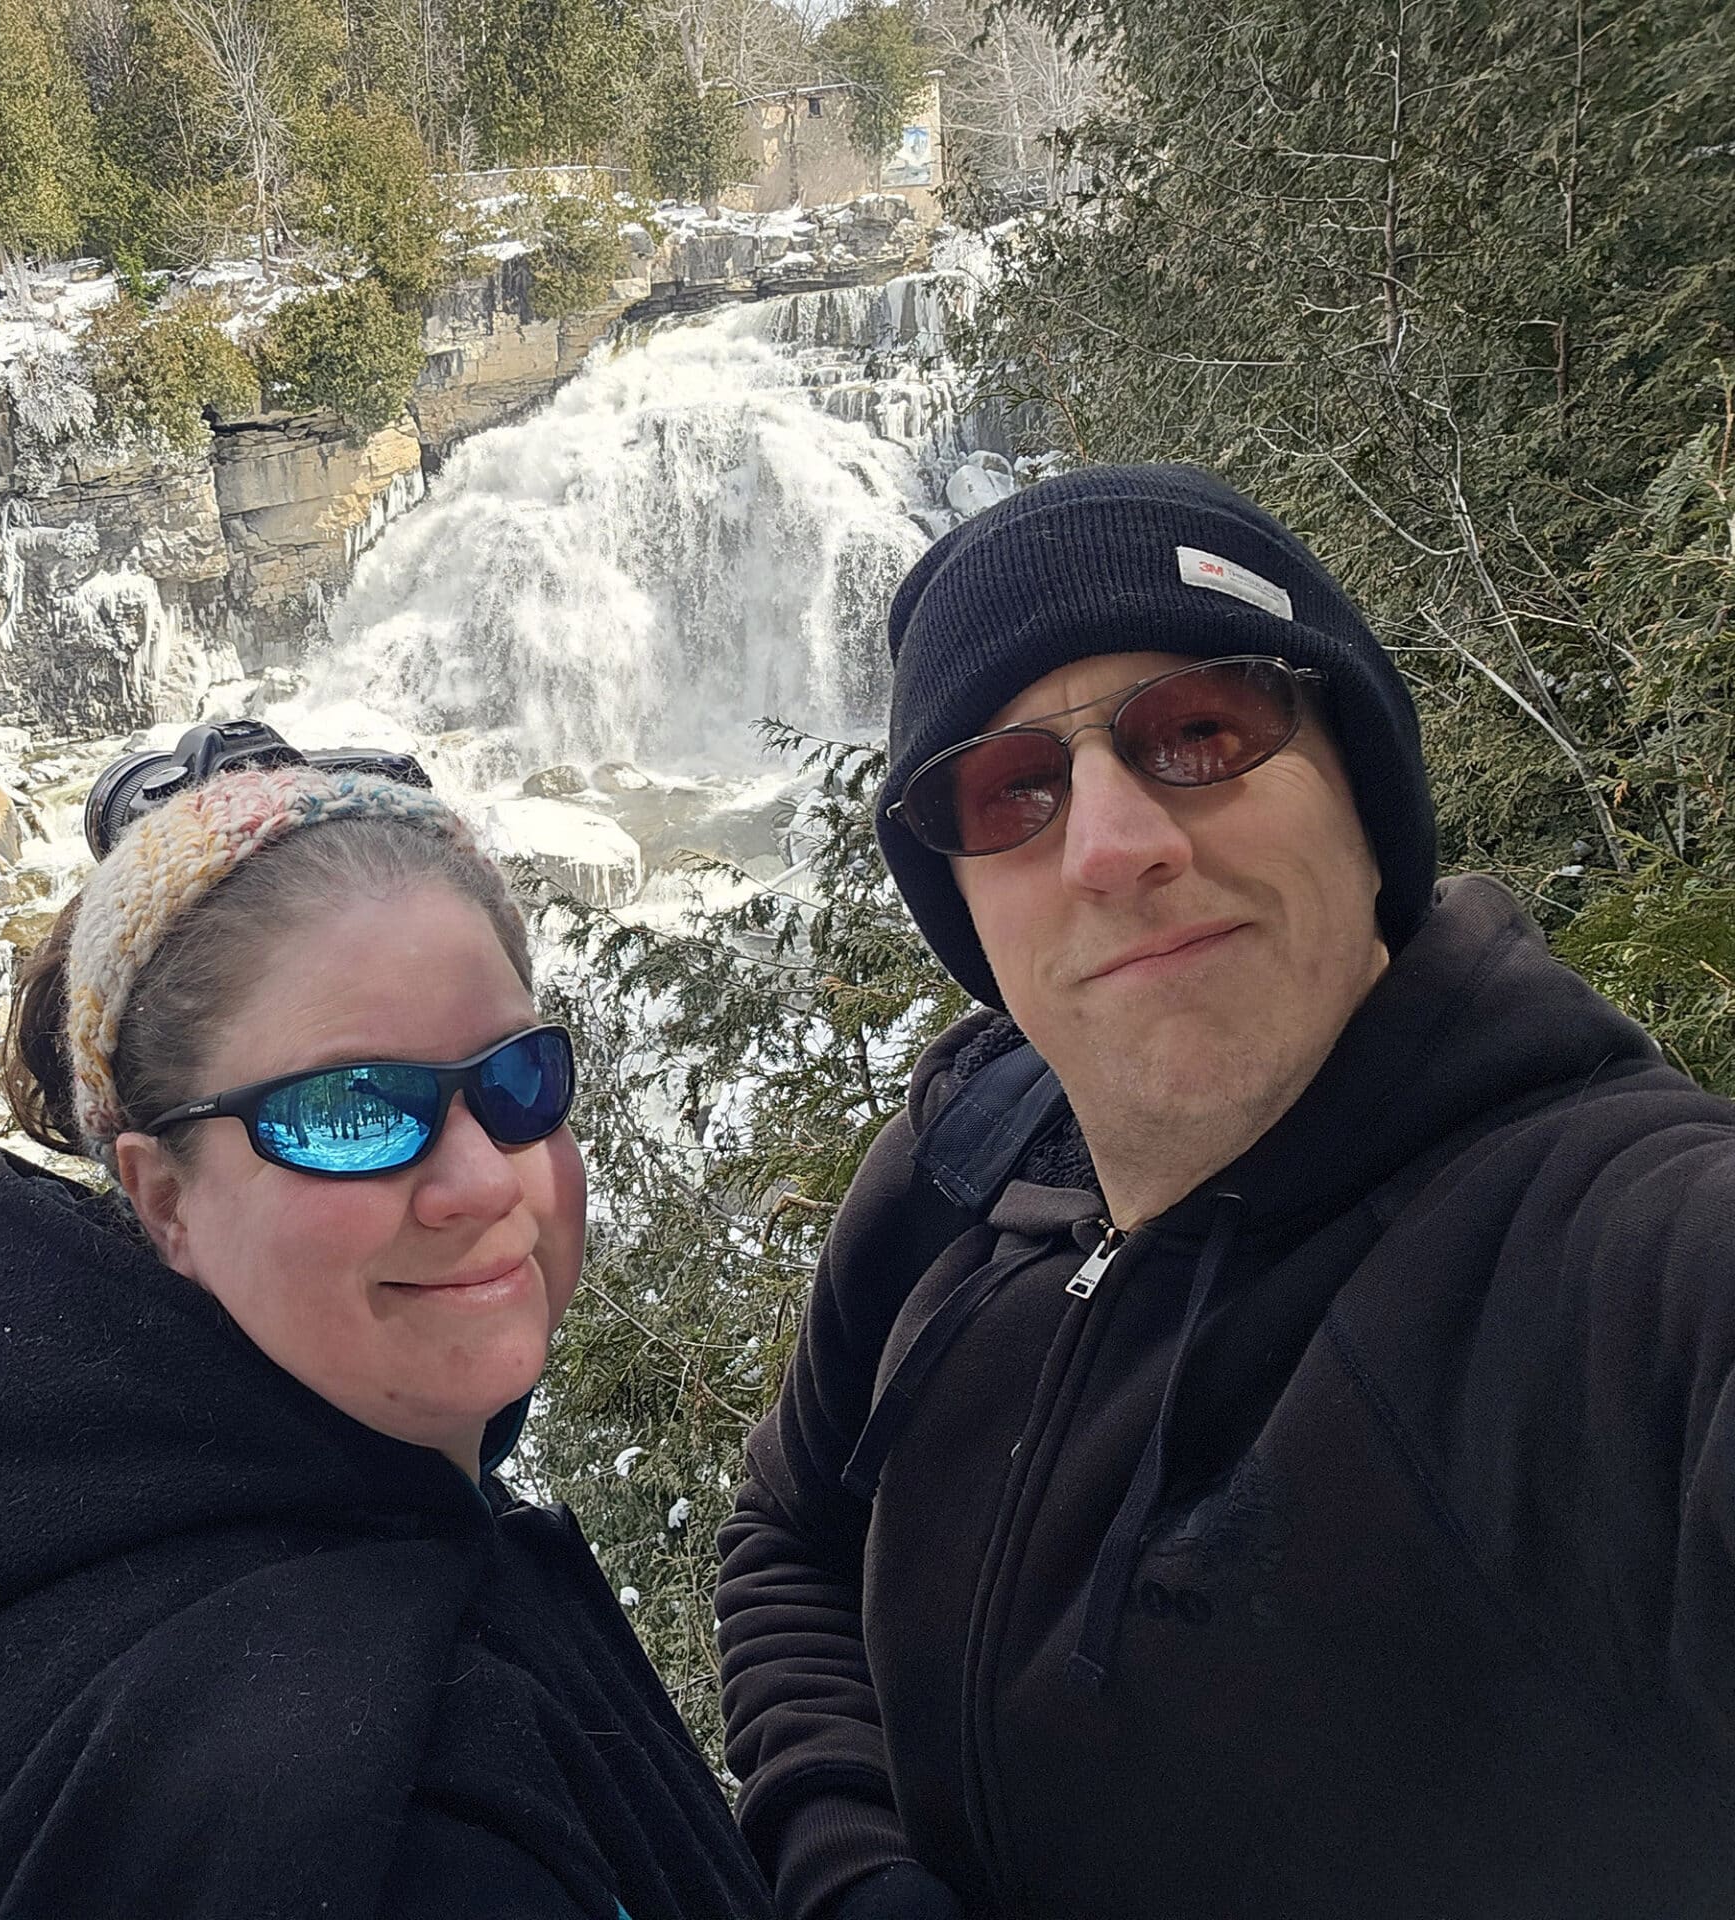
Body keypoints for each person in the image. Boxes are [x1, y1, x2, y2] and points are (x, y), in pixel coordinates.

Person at [714, 464, 1735, 1920]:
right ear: (964, 913)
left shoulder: (1602, 1255)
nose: (1116, 847)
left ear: (1364, 792)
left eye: (1199, 730)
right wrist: (847, 1862)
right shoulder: (967, 1157)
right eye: (1013, 791)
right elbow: (787, 1536)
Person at [0, 749, 773, 1920]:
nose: (480, 1184)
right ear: (164, 1201)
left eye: (515, 1079)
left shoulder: (75, 1542)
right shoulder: (384, 1822)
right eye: (346, 1111)